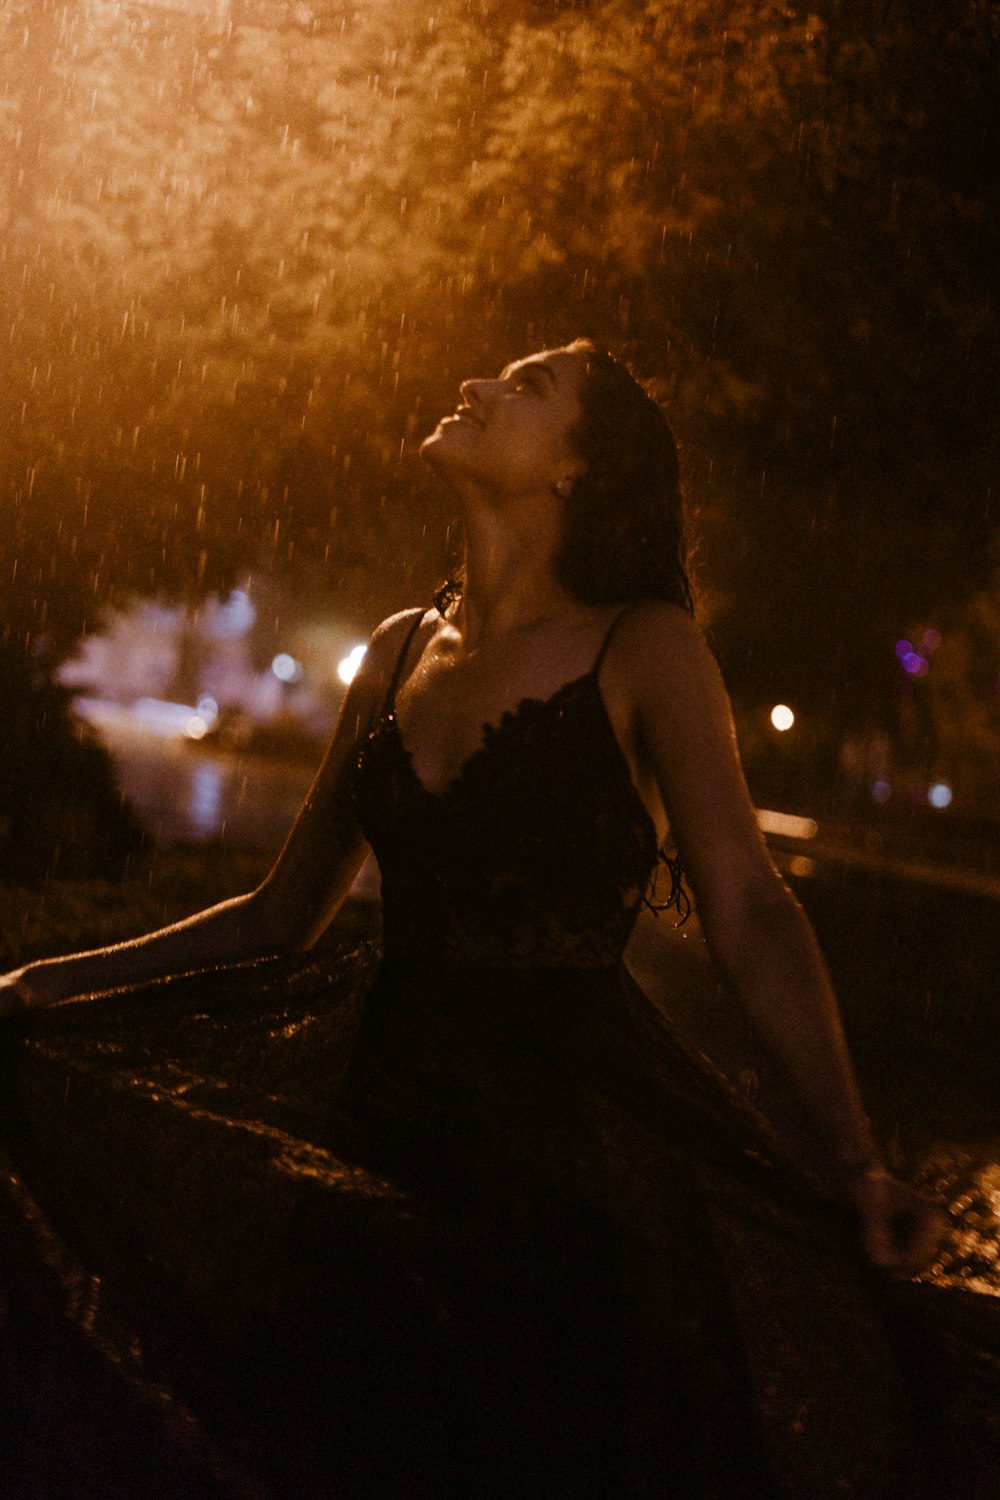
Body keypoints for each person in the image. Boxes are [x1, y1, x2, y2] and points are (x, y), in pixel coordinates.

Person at [0, 341, 979, 1498]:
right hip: (369, 1150)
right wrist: (47, 983)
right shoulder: (395, 648)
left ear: (577, 469)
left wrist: (855, 1159)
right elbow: (282, 914)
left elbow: (750, 908)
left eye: (529, 387)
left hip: (560, 1187)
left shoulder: (646, 646)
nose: (477, 386)